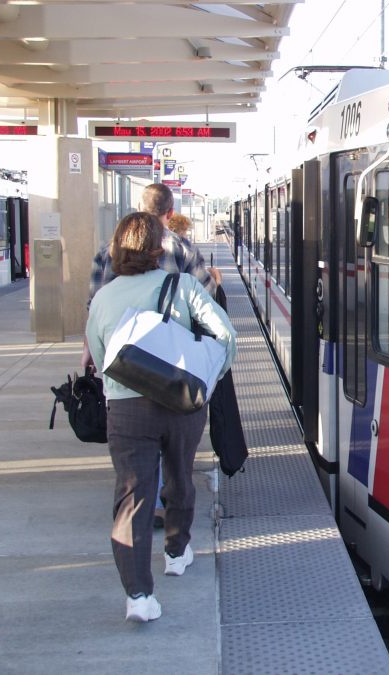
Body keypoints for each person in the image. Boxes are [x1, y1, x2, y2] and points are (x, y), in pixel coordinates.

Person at [85, 212, 237, 623]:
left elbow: (101, 360)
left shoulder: (103, 298)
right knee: (179, 476)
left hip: (126, 410)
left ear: (116, 251)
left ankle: (138, 596)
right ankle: (176, 551)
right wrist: (212, 376)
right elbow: (226, 336)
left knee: (132, 497)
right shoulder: (183, 287)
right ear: (158, 250)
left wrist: (120, 389)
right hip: (181, 402)